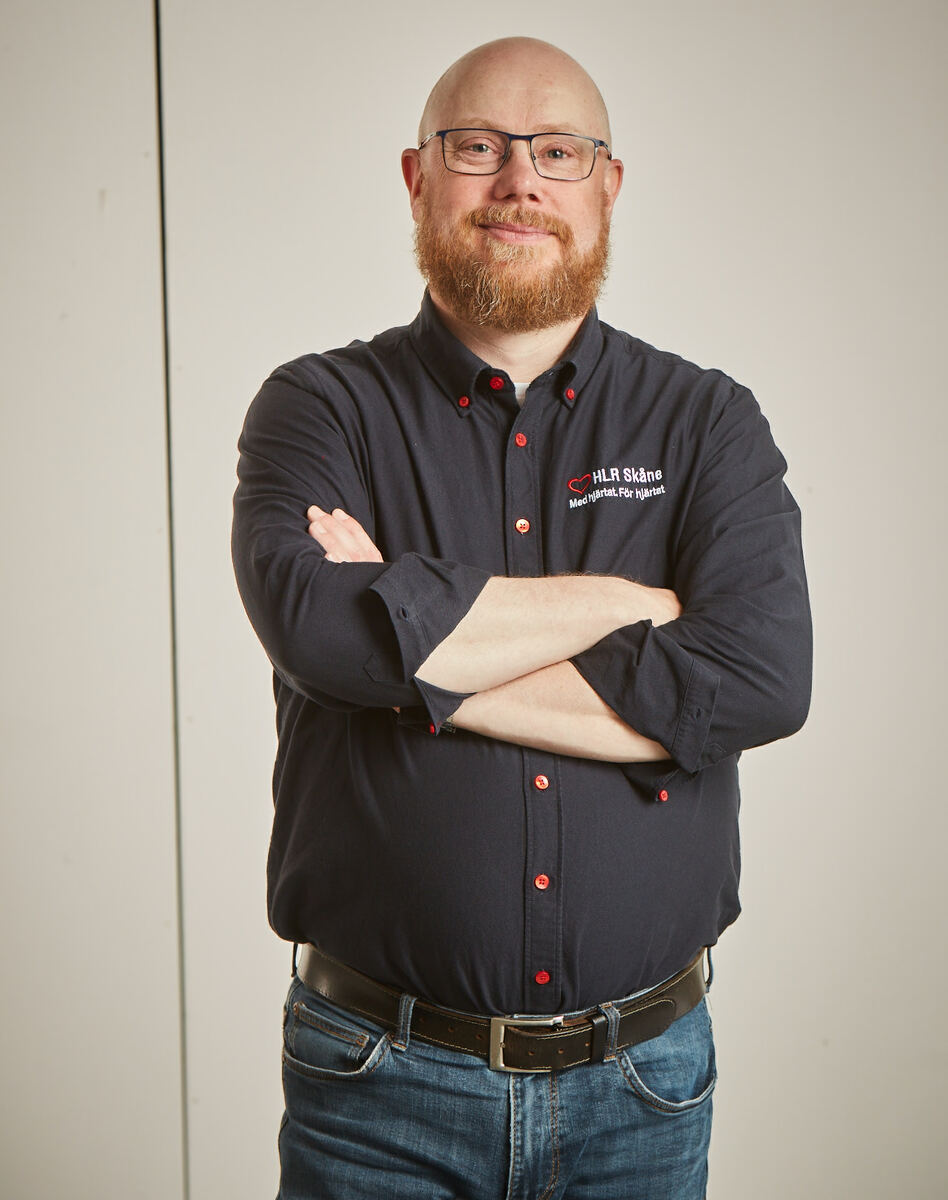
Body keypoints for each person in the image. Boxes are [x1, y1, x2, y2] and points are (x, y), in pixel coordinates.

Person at [232, 35, 811, 1200]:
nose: (519, 182)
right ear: (417, 177)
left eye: (558, 152)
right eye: (477, 148)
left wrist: (415, 650)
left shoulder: (707, 423)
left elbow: (758, 681)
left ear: (607, 185)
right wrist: (630, 608)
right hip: (378, 1085)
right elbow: (321, 633)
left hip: (644, 1085)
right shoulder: (319, 408)